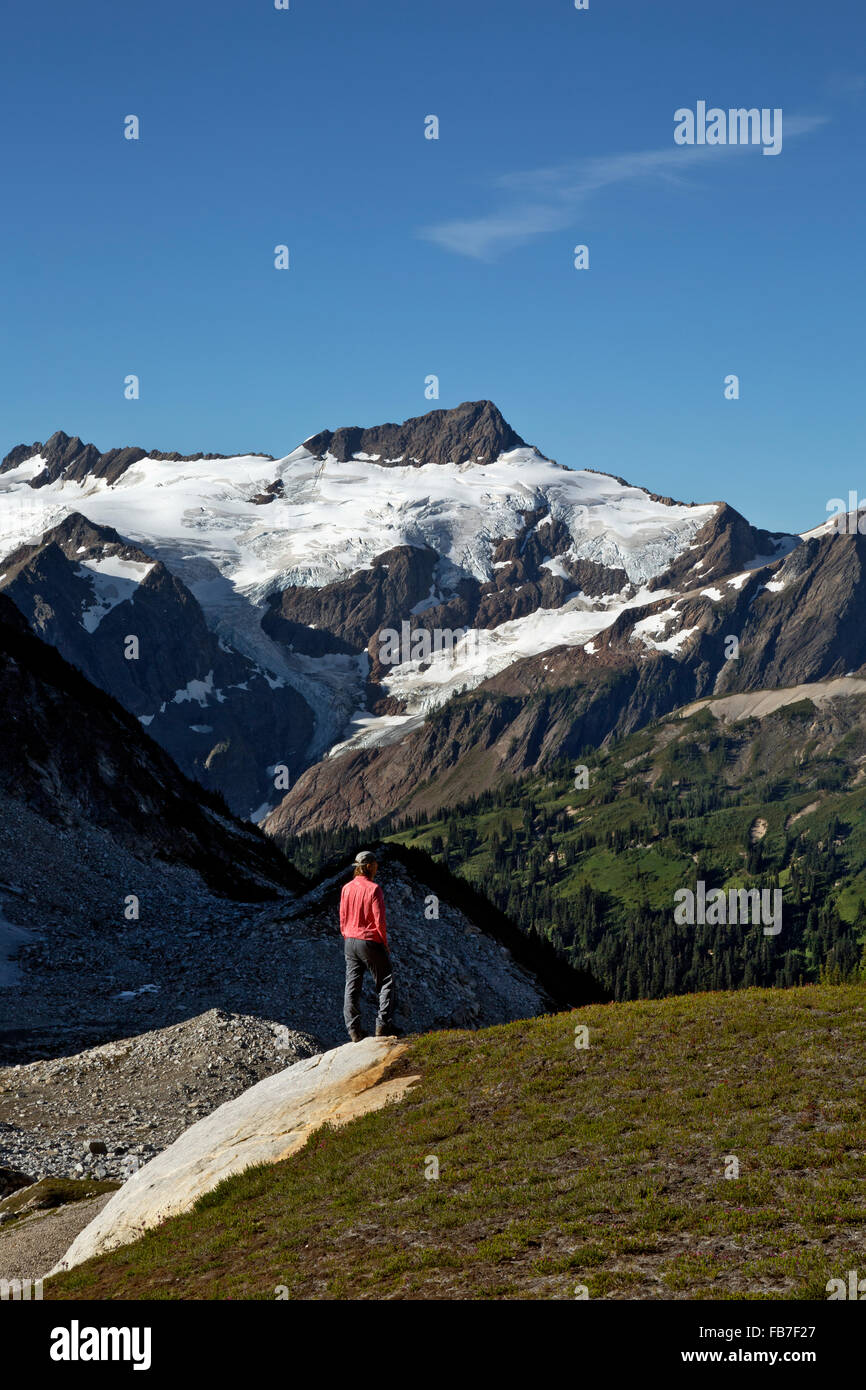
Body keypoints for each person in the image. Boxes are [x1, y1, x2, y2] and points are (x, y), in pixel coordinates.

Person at [339, 850, 400, 1042]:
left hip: (350, 940)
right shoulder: (374, 889)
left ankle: (354, 1030)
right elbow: (379, 920)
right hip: (369, 941)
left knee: (352, 986)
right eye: (375, 864)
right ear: (368, 866)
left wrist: (347, 935)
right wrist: (384, 942)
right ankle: (383, 1025)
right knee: (386, 981)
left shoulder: (346, 888)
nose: (377, 866)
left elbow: (342, 917)